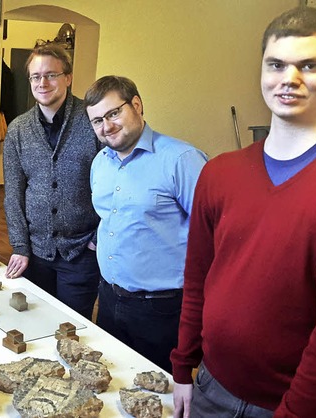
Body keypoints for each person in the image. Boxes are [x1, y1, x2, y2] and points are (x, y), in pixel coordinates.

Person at [171, 7, 316, 418]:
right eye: (276, 64)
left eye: (309, 65)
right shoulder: (221, 173)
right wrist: (183, 367)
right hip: (210, 389)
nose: (289, 79)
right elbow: (197, 278)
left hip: (293, 407)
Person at [84, 76, 207, 373]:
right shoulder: (100, 162)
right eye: (97, 120)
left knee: (155, 392)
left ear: (136, 105)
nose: (107, 126)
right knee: (114, 381)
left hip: (161, 308)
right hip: (110, 298)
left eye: (114, 113)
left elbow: (213, 234)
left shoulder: (181, 160)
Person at [3, 44, 101, 320]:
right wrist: (20, 246)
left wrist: (96, 241)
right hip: (36, 253)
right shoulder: (18, 129)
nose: (42, 83)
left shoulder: (92, 121)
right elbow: (13, 194)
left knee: (73, 326)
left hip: (81, 252)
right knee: (35, 321)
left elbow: (114, 188)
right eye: (35, 76)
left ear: (68, 78)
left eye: (51, 75)